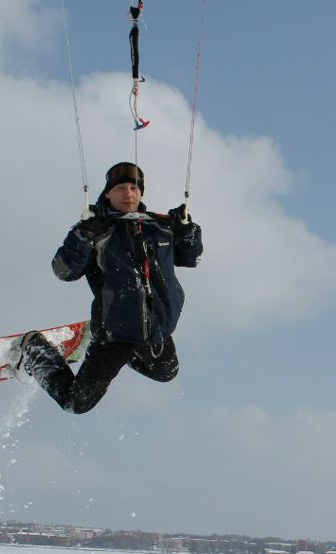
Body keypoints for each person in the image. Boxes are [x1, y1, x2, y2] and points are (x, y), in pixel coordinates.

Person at [17, 162, 203, 413]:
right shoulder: (97, 230)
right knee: (75, 403)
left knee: (167, 372)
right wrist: (83, 236)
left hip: (155, 330)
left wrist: (188, 231)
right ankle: (34, 350)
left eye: (134, 188)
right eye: (120, 188)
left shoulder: (159, 227)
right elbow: (64, 271)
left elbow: (191, 258)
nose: (128, 194)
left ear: (141, 193)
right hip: (115, 332)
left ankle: (126, 355)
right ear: (107, 193)